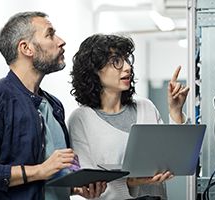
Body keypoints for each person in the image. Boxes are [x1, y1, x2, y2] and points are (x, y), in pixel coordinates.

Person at [0, 12, 106, 200]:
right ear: (26, 48)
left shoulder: (54, 105)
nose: (61, 41)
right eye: (50, 34)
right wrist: (39, 171)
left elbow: (47, 179)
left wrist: (73, 188)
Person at [68, 34, 190, 199]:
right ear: (94, 70)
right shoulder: (81, 119)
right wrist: (130, 182)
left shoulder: (146, 107)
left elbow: (174, 157)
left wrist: (175, 110)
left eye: (127, 60)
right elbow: (89, 186)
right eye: (116, 61)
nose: (127, 67)